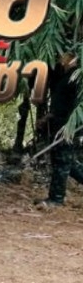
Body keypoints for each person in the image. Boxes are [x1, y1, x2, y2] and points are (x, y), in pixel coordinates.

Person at [36, 51, 81, 206]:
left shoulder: (76, 79)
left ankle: (56, 198)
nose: (60, 60)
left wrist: (71, 127)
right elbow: (58, 105)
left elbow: (74, 107)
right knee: (66, 162)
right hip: (59, 124)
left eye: (63, 57)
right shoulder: (63, 77)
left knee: (62, 162)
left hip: (68, 127)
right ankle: (54, 197)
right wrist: (48, 117)